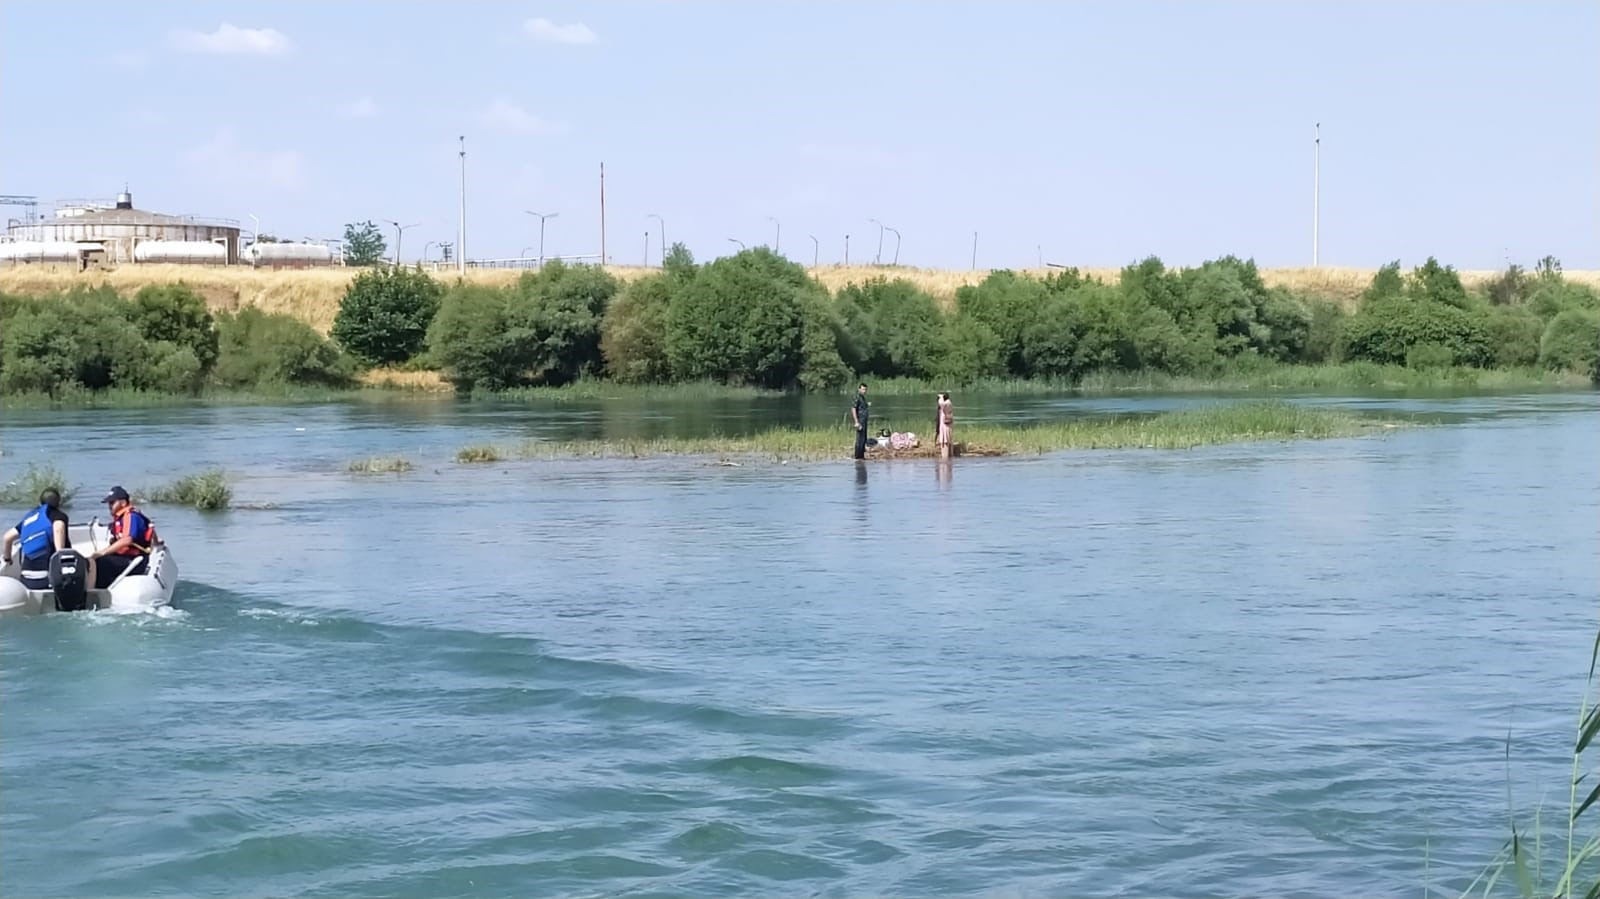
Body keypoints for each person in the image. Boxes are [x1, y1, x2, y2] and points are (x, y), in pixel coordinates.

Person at [2, 488, 71, 590]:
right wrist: (60, 555)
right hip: (47, 577)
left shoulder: (29, 519)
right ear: (58, 502)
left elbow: (7, 537)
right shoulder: (58, 516)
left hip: (26, 577)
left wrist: (7, 559)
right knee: (86, 565)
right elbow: (58, 529)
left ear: (40, 502)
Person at [91, 486, 157, 588]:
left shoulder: (131, 516)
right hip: (125, 557)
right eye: (109, 503)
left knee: (101, 562)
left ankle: (101, 592)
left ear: (123, 503)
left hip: (136, 560)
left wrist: (102, 552)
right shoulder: (120, 518)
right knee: (96, 561)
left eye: (112, 503)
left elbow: (127, 539)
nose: (109, 506)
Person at [851, 382, 870, 460]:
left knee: (864, 438)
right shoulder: (857, 397)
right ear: (859, 389)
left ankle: (862, 456)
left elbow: (862, 407)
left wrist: (867, 404)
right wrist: (856, 422)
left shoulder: (862, 397)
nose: (864, 391)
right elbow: (853, 408)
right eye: (862, 389)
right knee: (860, 439)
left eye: (865, 389)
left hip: (864, 421)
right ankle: (857, 457)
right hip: (860, 421)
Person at [936, 392, 954, 459]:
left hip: (944, 424)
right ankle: (950, 456)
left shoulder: (946, 403)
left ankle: (945, 457)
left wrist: (940, 397)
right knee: (949, 438)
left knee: (945, 440)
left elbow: (941, 403)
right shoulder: (949, 402)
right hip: (948, 423)